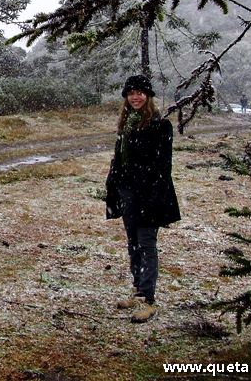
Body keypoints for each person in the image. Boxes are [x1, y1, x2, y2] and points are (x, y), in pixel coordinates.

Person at [105, 75, 181, 323]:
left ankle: (148, 299)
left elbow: (163, 167)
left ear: (148, 96)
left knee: (147, 244)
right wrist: (113, 184)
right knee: (133, 243)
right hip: (129, 193)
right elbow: (119, 160)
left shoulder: (160, 126)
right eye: (131, 93)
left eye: (139, 93)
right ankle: (138, 291)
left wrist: (154, 199)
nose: (135, 97)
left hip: (149, 195)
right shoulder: (126, 124)